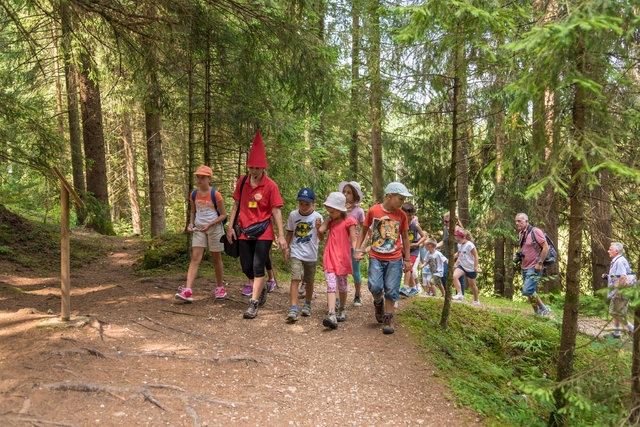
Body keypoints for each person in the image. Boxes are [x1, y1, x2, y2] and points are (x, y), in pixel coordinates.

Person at [227, 130, 287, 319]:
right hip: (244, 231)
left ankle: (253, 303)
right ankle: (259, 288)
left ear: (263, 168)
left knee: (258, 265)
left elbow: (276, 210)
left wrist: (281, 235)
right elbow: (236, 204)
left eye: (257, 168)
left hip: (263, 232)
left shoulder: (271, 186)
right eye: (251, 167)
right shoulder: (242, 182)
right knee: (246, 266)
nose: (253, 172)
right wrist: (230, 226)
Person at [354, 182, 412, 335]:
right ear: (389, 196)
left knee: (392, 289)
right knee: (374, 285)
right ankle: (378, 302)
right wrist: (357, 249)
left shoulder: (402, 215)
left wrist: (407, 259)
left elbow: (405, 238)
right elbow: (364, 230)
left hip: (395, 258)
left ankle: (388, 317)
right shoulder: (374, 211)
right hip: (376, 256)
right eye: (400, 199)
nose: (402, 202)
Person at [176, 165, 228, 303]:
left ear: (209, 178)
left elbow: (223, 215)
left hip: (214, 228)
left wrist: (210, 224)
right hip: (199, 228)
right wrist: (191, 224)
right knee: (195, 258)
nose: (199, 180)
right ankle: (188, 290)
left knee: (216, 258)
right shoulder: (194, 194)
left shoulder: (215, 194)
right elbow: (193, 211)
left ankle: (220, 288)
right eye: (198, 177)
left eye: (202, 177)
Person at [317, 192, 357, 329]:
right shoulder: (331, 221)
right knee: (331, 286)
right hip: (330, 257)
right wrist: (324, 221)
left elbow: (353, 239)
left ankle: (342, 308)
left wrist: (357, 252)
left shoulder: (349, 221)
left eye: (332, 211)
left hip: (343, 259)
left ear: (340, 210)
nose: (330, 213)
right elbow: (321, 230)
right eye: (329, 211)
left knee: (343, 286)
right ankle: (331, 313)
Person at [284, 188, 323, 322]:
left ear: (313, 203)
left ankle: (307, 304)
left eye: (307, 204)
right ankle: (293, 308)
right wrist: (286, 249)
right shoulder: (293, 215)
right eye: (301, 204)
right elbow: (289, 232)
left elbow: (321, 238)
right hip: (296, 251)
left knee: (309, 281)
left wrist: (319, 228)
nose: (304, 207)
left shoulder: (317, 217)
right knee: (295, 278)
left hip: (311, 254)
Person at [515, 213, 551, 316]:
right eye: (516, 221)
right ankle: (537, 312)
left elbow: (546, 247)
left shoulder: (535, 231)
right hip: (524, 266)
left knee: (527, 290)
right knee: (530, 291)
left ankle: (544, 308)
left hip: (534, 266)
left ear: (526, 221)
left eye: (519, 221)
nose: (517, 223)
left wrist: (540, 263)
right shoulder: (521, 234)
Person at [339, 181, 366, 307]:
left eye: (349, 193)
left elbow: (364, 229)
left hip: (353, 246)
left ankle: (357, 294)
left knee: (355, 272)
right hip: (339, 245)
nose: (345, 195)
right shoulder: (338, 209)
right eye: (344, 192)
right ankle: (340, 296)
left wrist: (361, 247)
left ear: (355, 196)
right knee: (340, 272)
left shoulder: (359, 211)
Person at [603, 242, 636, 339]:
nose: (608, 251)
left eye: (610, 249)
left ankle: (633, 329)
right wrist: (608, 277)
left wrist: (618, 292)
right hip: (619, 291)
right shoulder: (617, 260)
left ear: (616, 251)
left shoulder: (619, 261)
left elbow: (623, 277)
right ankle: (617, 334)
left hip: (621, 292)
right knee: (614, 312)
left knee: (616, 313)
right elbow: (618, 276)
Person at [400, 203, 426, 297]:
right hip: (403, 249)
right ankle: (414, 288)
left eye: (412, 215)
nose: (411, 217)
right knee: (406, 268)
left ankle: (405, 287)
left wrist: (417, 244)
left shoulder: (415, 225)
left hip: (413, 250)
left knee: (409, 267)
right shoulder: (400, 224)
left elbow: (424, 236)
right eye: (408, 215)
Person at [436, 211, 464, 294]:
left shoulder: (460, 231)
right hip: (448, 257)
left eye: (447, 221)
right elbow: (444, 241)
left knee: (458, 278)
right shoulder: (445, 229)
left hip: (459, 257)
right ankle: (447, 294)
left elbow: (463, 246)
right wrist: (435, 246)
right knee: (443, 275)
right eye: (444, 221)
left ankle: (460, 295)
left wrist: (458, 260)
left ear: (454, 221)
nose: (445, 223)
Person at [452, 230, 481, 305]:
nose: (457, 241)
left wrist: (475, 267)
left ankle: (476, 300)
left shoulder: (470, 245)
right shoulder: (459, 244)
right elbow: (459, 253)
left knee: (472, 285)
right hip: (462, 266)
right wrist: (453, 256)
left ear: (464, 238)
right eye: (456, 240)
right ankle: (459, 294)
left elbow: (476, 256)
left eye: (458, 240)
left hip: (470, 268)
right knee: (454, 276)